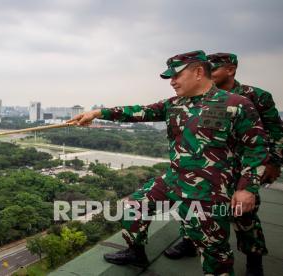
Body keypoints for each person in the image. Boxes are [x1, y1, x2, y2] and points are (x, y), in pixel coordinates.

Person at [68, 50, 269, 275]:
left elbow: (257, 148)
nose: (172, 82)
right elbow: (138, 112)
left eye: (176, 76)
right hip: (174, 180)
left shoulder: (237, 104)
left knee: (214, 252)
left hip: (211, 190)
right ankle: (136, 252)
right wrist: (96, 113)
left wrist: (246, 189)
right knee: (132, 207)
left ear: (199, 72)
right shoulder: (174, 104)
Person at [163, 52, 283, 276]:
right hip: (211, 170)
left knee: (244, 216)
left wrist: (273, 164)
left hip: (243, 168)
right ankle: (190, 241)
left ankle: (254, 260)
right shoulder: (197, 98)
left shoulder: (254, 97)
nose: (210, 72)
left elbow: (275, 133)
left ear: (230, 70)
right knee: (195, 208)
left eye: (214, 69)